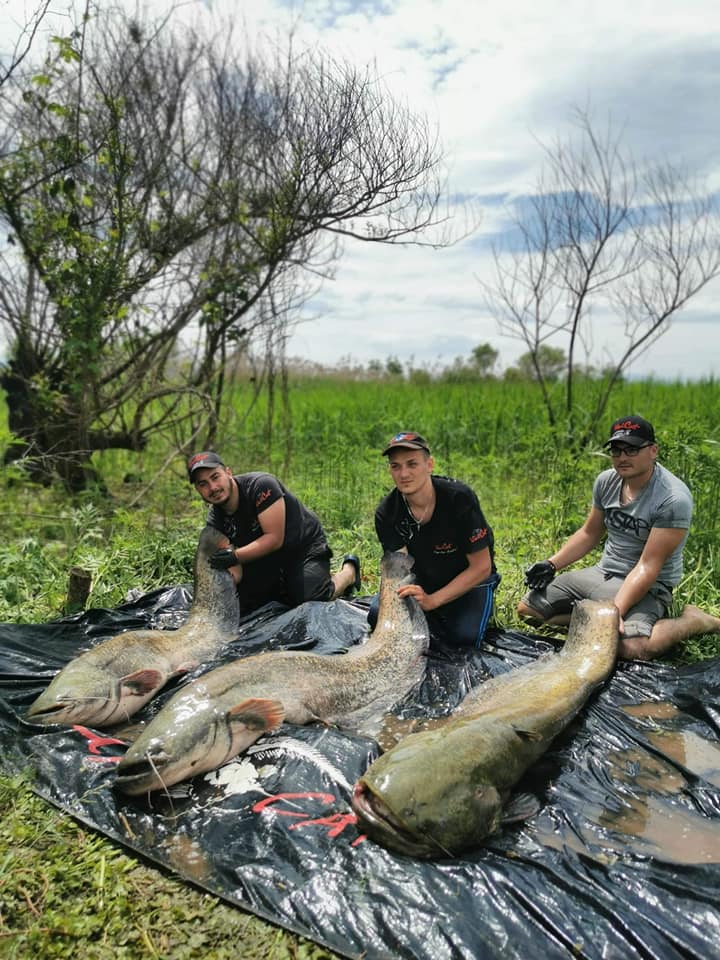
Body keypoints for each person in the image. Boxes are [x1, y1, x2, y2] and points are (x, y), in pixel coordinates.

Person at [519, 414, 720, 661]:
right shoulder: (606, 481)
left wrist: (615, 611)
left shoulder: (672, 498)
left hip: (648, 585)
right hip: (602, 572)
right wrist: (552, 564)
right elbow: (589, 533)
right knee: (528, 612)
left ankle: (695, 621)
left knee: (633, 648)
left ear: (653, 450)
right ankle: (594, 617)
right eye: (616, 450)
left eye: (632, 449)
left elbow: (648, 566)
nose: (622, 457)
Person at [187, 451, 360, 613]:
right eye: (203, 484)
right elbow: (235, 570)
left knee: (310, 598)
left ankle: (349, 572)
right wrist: (222, 584)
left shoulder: (261, 486)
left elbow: (274, 539)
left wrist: (235, 556)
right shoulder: (215, 520)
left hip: (301, 548)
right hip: (263, 558)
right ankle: (301, 579)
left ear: (228, 472)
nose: (213, 487)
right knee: (246, 604)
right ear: (197, 489)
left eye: (215, 477)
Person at [371, 430, 500, 648]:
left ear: (429, 465)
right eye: (396, 466)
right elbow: (400, 570)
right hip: (424, 579)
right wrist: (410, 595)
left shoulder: (459, 499)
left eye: (412, 464)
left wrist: (433, 601)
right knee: (376, 615)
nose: (404, 474)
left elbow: (482, 567)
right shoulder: (387, 512)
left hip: (468, 579)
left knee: (463, 638)